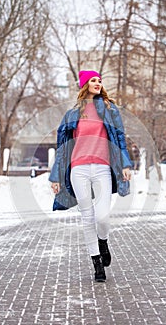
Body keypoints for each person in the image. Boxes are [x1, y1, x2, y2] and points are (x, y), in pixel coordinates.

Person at [49, 70, 132, 282]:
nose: (98, 83)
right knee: (87, 218)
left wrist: (125, 163)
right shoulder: (72, 114)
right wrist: (56, 177)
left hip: (103, 167)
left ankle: (102, 240)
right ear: (85, 84)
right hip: (79, 169)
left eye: (99, 80)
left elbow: (120, 139)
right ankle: (97, 264)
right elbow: (62, 148)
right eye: (93, 80)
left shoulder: (109, 110)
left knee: (102, 216)